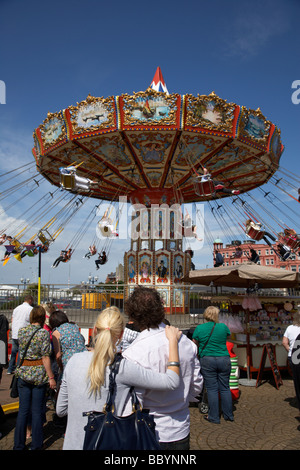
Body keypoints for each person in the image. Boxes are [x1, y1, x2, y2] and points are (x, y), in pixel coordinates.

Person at [55, 306, 182, 450]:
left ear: (95, 330)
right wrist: (172, 342)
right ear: (121, 335)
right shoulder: (123, 367)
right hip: (107, 443)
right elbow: (171, 381)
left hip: (72, 445)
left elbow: (60, 410)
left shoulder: (73, 360)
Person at [122, 287, 203, 450]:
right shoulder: (187, 344)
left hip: (149, 429)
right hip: (180, 427)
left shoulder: (133, 353)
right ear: (161, 308)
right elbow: (196, 386)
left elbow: (133, 402)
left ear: (132, 315)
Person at [13, 306, 57, 450]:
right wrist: (51, 377)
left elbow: (21, 351)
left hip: (24, 372)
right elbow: (45, 357)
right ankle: (37, 445)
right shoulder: (43, 333)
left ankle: (18, 445)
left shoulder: (22, 331)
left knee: (23, 411)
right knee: (37, 411)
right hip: (38, 374)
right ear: (43, 317)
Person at [192, 306, 234, 424]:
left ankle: (214, 416)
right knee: (225, 387)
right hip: (223, 358)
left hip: (207, 359)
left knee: (212, 388)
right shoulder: (223, 327)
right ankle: (228, 414)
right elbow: (228, 337)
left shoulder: (200, 328)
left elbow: (194, 343)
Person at [48, 310, 86, 377]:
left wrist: (61, 368)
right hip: (83, 358)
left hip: (69, 360)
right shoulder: (74, 326)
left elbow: (58, 356)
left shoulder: (56, 333)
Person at [7, 295, 33, 374]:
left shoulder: (16, 308)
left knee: (14, 352)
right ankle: (18, 369)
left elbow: (12, 319)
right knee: (21, 352)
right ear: (30, 301)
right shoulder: (30, 309)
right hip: (24, 333)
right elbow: (31, 320)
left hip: (15, 332)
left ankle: (10, 368)